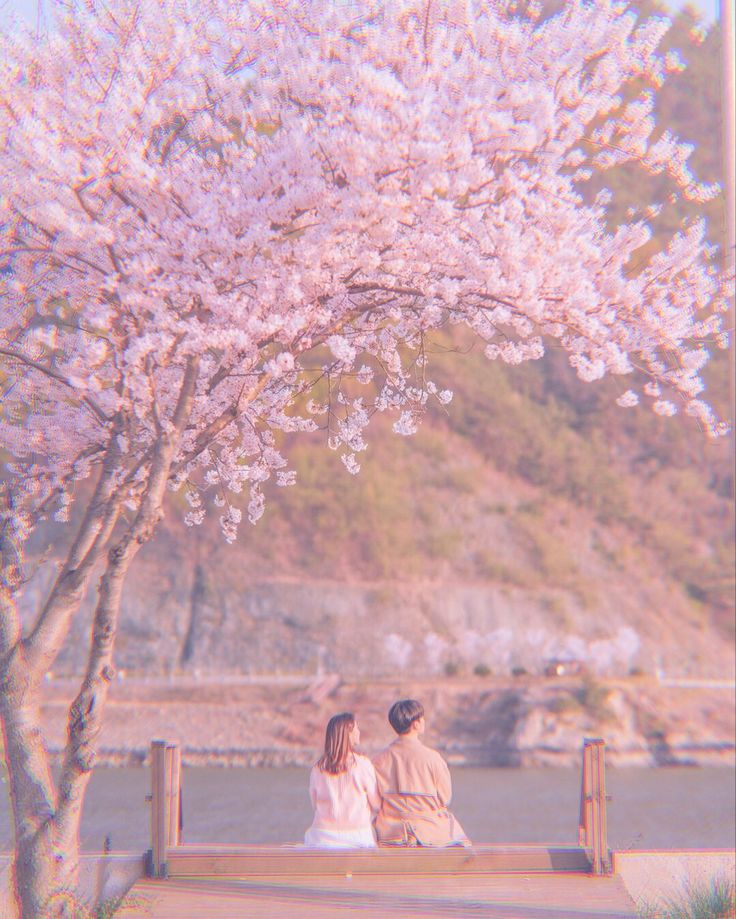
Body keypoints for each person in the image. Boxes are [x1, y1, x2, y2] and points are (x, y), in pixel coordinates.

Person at [372, 699, 470, 847]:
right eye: (422, 718)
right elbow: (445, 798)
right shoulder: (433, 758)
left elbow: (374, 802)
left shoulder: (379, 760)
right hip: (430, 833)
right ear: (416, 724)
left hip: (391, 833)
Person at [304, 711, 381, 848]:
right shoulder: (362, 764)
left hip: (322, 835)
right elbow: (376, 804)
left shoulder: (318, 769)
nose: (359, 731)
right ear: (348, 733)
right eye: (356, 727)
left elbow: (314, 804)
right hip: (357, 835)